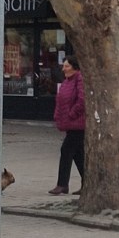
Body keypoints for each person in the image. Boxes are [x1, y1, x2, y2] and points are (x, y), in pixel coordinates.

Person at [52, 56, 86, 194]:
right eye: (63, 66)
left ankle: (62, 184)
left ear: (74, 67)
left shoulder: (80, 79)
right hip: (70, 123)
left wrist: (71, 114)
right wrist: (58, 115)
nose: (63, 69)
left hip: (78, 123)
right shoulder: (67, 81)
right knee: (78, 154)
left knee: (66, 151)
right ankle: (88, 183)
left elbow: (82, 100)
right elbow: (60, 100)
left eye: (66, 66)